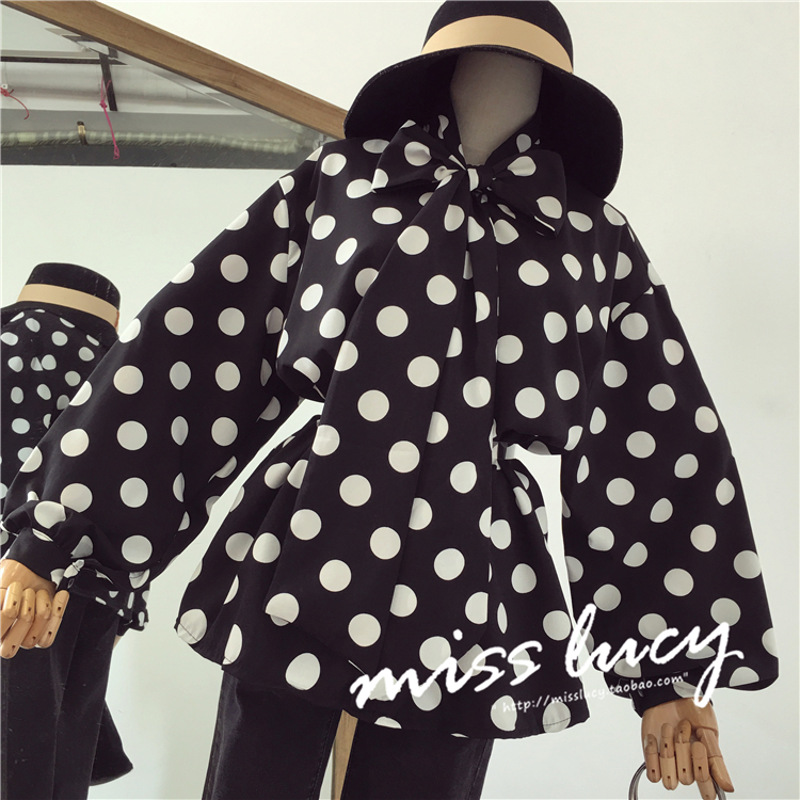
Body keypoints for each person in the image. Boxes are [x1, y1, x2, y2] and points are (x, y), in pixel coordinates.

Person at [0, 3, 778, 798]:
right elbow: (197, 349)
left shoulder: (593, 236)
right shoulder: (339, 182)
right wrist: (60, 535)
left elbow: (652, 438)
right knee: (256, 777)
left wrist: (671, 672)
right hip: (308, 536)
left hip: (473, 563)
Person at [1, 263, 133, 798]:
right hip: (87, 591)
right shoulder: (129, 372)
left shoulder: (9, 340)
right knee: (54, 770)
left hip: (13, 579)